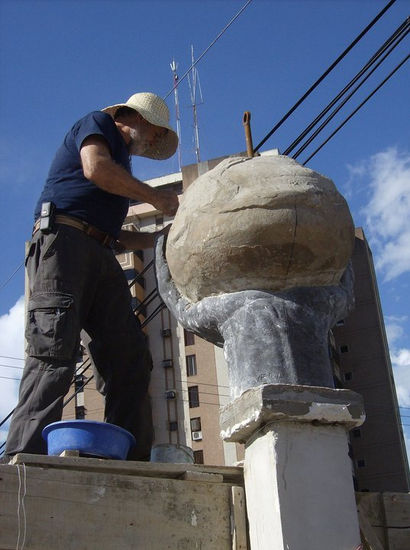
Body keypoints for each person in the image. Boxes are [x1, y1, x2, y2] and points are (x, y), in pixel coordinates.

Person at [4, 92, 179, 461]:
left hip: (100, 252)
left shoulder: (123, 169)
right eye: (154, 133)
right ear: (135, 117)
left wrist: (165, 239)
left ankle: (129, 460)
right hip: (63, 244)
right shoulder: (97, 125)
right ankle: (23, 461)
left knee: (130, 357)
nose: (152, 142)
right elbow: (94, 168)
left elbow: (114, 236)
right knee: (54, 352)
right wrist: (157, 198)